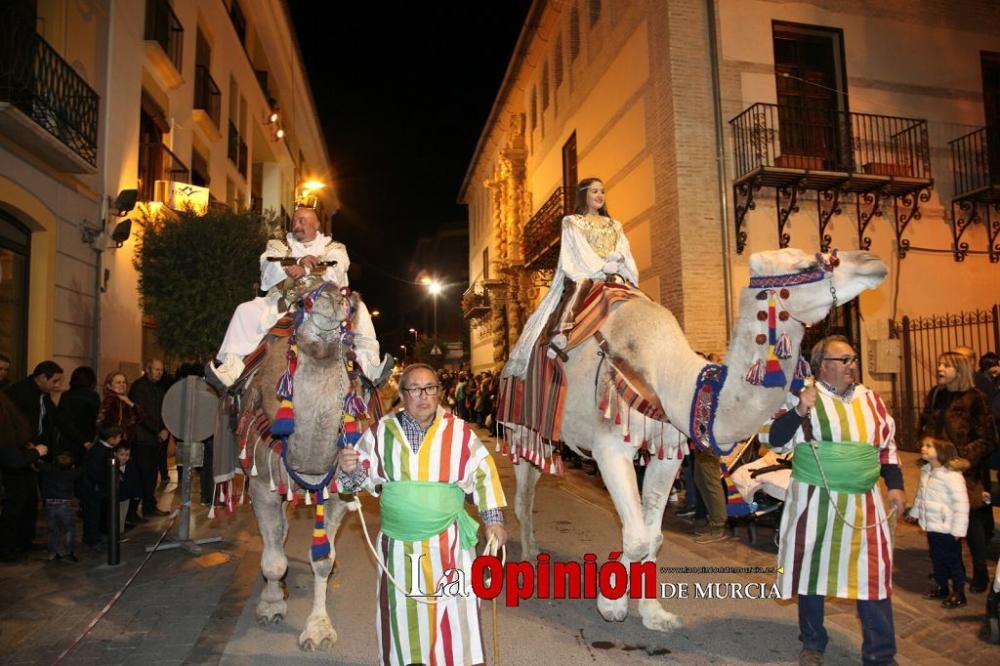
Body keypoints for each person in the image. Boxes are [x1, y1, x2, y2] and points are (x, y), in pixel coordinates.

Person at [339, 363, 507, 665]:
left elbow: (483, 474)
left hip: (450, 546)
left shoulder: (459, 432)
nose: (423, 396)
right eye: (415, 389)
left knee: (454, 612)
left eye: (429, 388)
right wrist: (349, 467)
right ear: (403, 394)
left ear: (439, 392)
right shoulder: (379, 434)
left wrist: (493, 522)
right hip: (398, 550)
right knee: (402, 611)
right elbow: (356, 484)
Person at [759, 335, 905, 666]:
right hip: (815, 502)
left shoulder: (872, 401)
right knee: (813, 570)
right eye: (844, 360)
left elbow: (886, 448)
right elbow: (775, 440)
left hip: (864, 504)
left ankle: (881, 656)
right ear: (823, 366)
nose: (851, 365)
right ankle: (812, 642)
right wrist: (799, 410)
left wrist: (895, 485)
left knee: (874, 576)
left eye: (853, 359)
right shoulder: (804, 398)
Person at [207, 205, 391, 388]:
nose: (296, 224)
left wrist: (306, 269)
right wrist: (297, 261)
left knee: (361, 311)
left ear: (317, 224)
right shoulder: (278, 245)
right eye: (294, 220)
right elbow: (268, 264)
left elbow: (336, 268)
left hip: (325, 305)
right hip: (284, 302)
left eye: (302, 220)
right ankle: (231, 368)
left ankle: (370, 366)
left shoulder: (334, 247)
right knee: (245, 310)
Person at [502, 177, 639, 379]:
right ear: (584, 195)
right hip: (586, 272)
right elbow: (576, 251)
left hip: (614, 272)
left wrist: (617, 258)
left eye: (602, 191)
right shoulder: (572, 222)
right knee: (584, 284)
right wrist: (601, 267)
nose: (600, 195)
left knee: (634, 293)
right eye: (594, 191)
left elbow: (622, 248)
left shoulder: (615, 225)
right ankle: (563, 333)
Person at [919, 350, 996, 592]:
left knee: (970, 522)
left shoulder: (976, 398)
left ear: (959, 370)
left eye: (946, 365)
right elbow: (925, 425)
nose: (940, 368)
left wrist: (963, 459)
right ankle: (953, 570)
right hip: (937, 470)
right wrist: (928, 449)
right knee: (942, 524)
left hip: (965, 473)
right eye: (940, 364)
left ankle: (981, 572)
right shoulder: (936, 395)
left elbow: (988, 438)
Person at [907, 436, 969, 608]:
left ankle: (959, 592)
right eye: (923, 445)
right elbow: (921, 496)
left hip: (948, 528)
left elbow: (961, 504)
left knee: (953, 561)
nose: (923, 448)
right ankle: (942, 587)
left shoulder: (952, 476)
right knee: (937, 558)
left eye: (929, 446)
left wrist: (958, 530)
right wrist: (915, 513)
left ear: (941, 451)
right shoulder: (927, 471)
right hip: (932, 525)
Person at [0, 391, 48, 561]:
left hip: (19, 469)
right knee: (12, 512)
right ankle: (8, 549)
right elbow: (11, 458)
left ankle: (22, 543)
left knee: (26, 505)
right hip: (11, 473)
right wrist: (36, 452)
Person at [128, 360, 170, 516]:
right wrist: (158, 430)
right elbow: (141, 415)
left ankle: (149, 505)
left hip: (154, 439)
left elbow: (163, 410)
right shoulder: (139, 387)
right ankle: (137, 509)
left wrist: (165, 428)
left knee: (151, 474)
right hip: (142, 438)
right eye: (156, 369)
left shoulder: (159, 388)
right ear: (148, 369)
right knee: (143, 475)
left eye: (161, 370)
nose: (159, 372)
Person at [4, 360, 64, 450]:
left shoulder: (44, 393)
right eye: (55, 381)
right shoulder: (19, 392)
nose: (57, 385)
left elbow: (52, 417)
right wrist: (26, 443)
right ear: (42, 377)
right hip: (21, 447)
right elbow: (11, 422)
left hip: (37, 445)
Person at [82, 425, 122, 547]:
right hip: (94, 489)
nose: (120, 439)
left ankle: (103, 534)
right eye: (119, 437)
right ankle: (92, 539)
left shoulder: (105, 449)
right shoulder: (98, 451)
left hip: (102, 488)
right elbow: (95, 472)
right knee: (93, 515)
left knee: (103, 513)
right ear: (111, 438)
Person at [38, 451, 82, 562]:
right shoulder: (72, 473)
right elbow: (83, 469)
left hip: (50, 504)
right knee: (69, 530)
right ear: (71, 465)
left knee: (53, 530)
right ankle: (69, 552)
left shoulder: (48, 469)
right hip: (65, 505)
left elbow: (39, 463)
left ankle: (52, 553)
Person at [57, 366, 100, 463]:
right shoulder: (93, 397)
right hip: (87, 441)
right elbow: (92, 420)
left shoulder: (66, 395)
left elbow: (62, 421)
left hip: (67, 440)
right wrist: (86, 440)